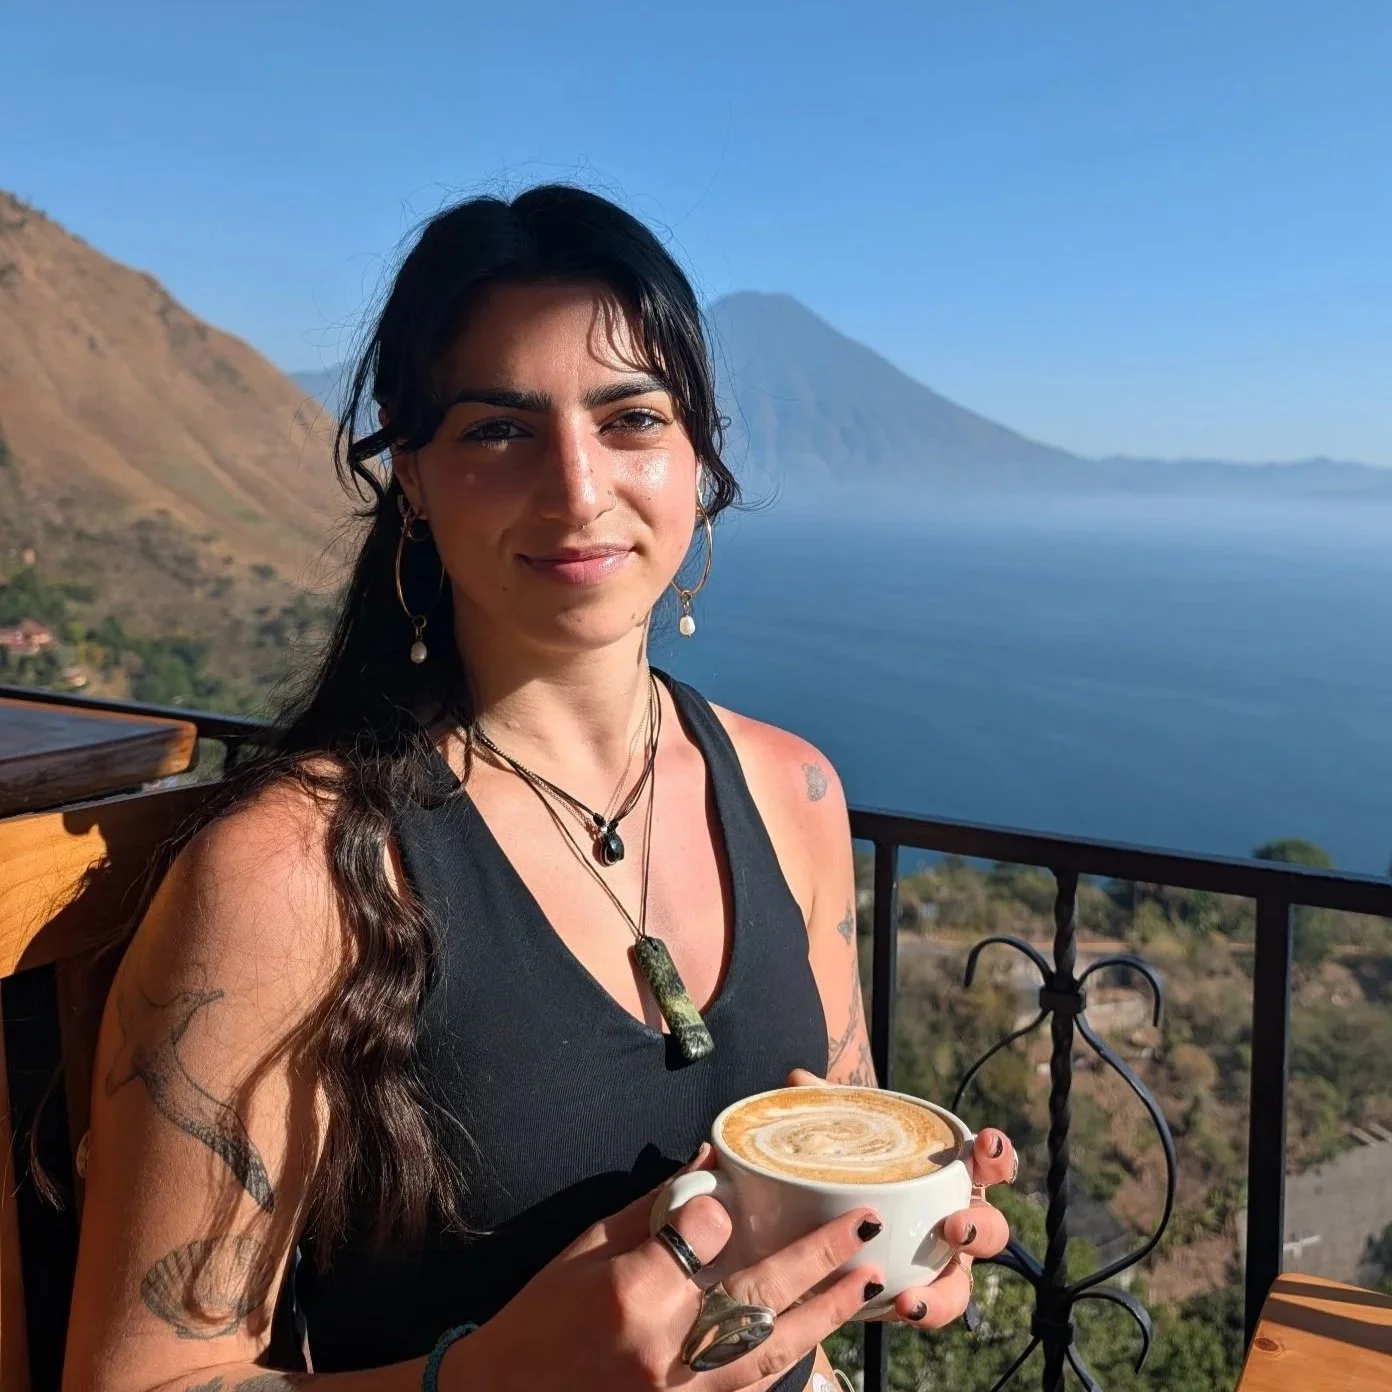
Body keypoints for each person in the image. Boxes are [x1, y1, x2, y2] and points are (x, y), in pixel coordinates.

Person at [64, 185, 1017, 1392]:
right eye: (500, 431)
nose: (576, 489)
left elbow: (840, 1139)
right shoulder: (292, 876)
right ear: (410, 472)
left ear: (697, 457)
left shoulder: (797, 797)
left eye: (631, 420)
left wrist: (905, 1236)